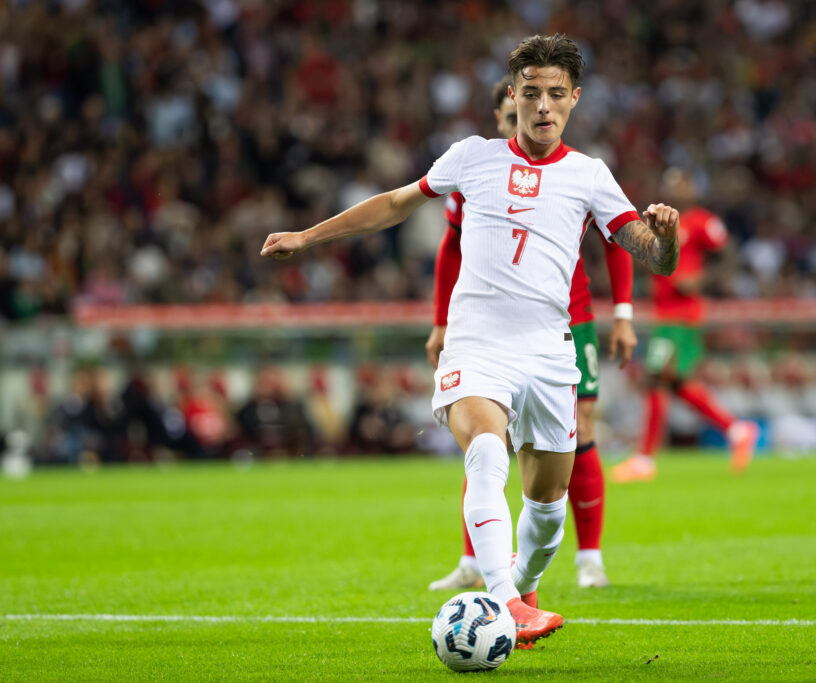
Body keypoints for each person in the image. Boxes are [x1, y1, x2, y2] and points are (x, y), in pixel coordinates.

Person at [260, 34, 680, 647]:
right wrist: (307, 235)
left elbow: (652, 257)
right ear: (512, 95)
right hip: (477, 346)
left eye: (555, 95)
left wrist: (666, 238)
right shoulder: (473, 157)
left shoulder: (590, 176)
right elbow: (395, 204)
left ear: (574, 100)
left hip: (548, 355)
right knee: (485, 450)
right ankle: (504, 601)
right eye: (530, 93)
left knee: (547, 504)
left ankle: (526, 585)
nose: (542, 107)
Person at [426, 77, 636, 593]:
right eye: (506, 115)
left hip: (568, 321)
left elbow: (618, 240)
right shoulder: (478, 170)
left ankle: (588, 556)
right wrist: (441, 320)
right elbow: (450, 249)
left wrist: (624, 312)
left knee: (577, 433)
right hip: (487, 333)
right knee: (485, 438)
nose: (512, 124)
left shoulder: (581, 173)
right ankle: (485, 568)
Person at [611, 168, 759, 483]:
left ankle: (644, 461)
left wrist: (703, 280)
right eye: (670, 183)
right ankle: (736, 429)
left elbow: (729, 254)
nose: (675, 188)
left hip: (682, 316)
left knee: (654, 379)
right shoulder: (660, 220)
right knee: (674, 383)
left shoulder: (703, 221)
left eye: (682, 183)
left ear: (693, 189)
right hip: (665, 313)